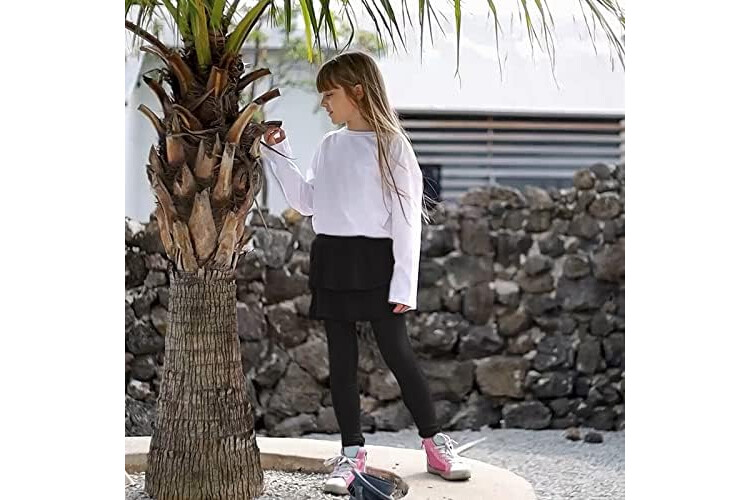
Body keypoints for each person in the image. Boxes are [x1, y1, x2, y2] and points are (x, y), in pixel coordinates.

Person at [260, 51, 471, 495]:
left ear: (357, 91)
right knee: (341, 362)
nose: (324, 103)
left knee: (399, 355)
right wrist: (279, 152)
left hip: (378, 262)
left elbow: (407, 221)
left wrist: (404, 284)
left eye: (329, 94)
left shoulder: (394, 146)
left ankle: (435, 445)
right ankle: (351, 454)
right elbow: (306, 202)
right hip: (332, 258)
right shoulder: (328, 145)